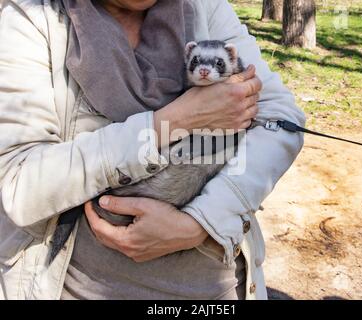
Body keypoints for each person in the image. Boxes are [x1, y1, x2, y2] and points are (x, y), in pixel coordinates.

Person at [0, 0, 305, 300]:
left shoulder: (203, 7)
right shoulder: (33, 17)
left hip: (217, 286)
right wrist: (175, 121)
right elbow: (21, 185)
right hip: (83, 286)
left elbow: (280, 120)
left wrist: (200, 222)